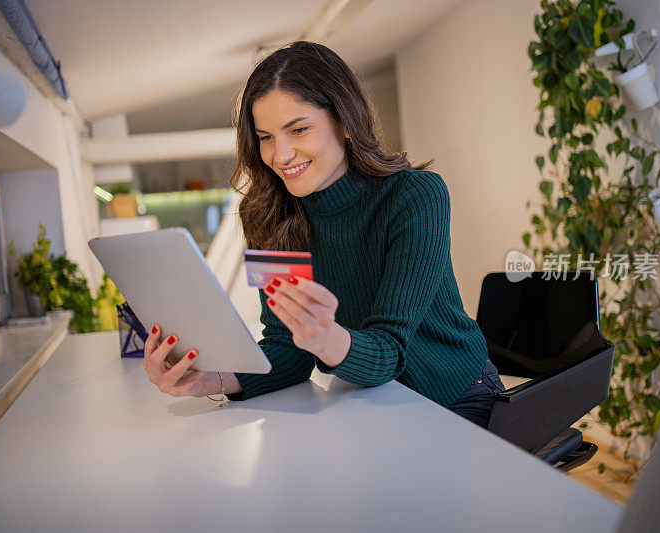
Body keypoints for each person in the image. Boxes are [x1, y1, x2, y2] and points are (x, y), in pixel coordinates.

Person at [143, 41, 505, 427]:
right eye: (265, 137)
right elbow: (287, 347)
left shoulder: (414, 197)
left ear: (345, 122)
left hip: (457, 396)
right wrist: (210, 380)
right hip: (365, 400)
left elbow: (389, 352)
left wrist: (324, 338)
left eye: (298, 129)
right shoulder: (266, 214)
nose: (280, 155)